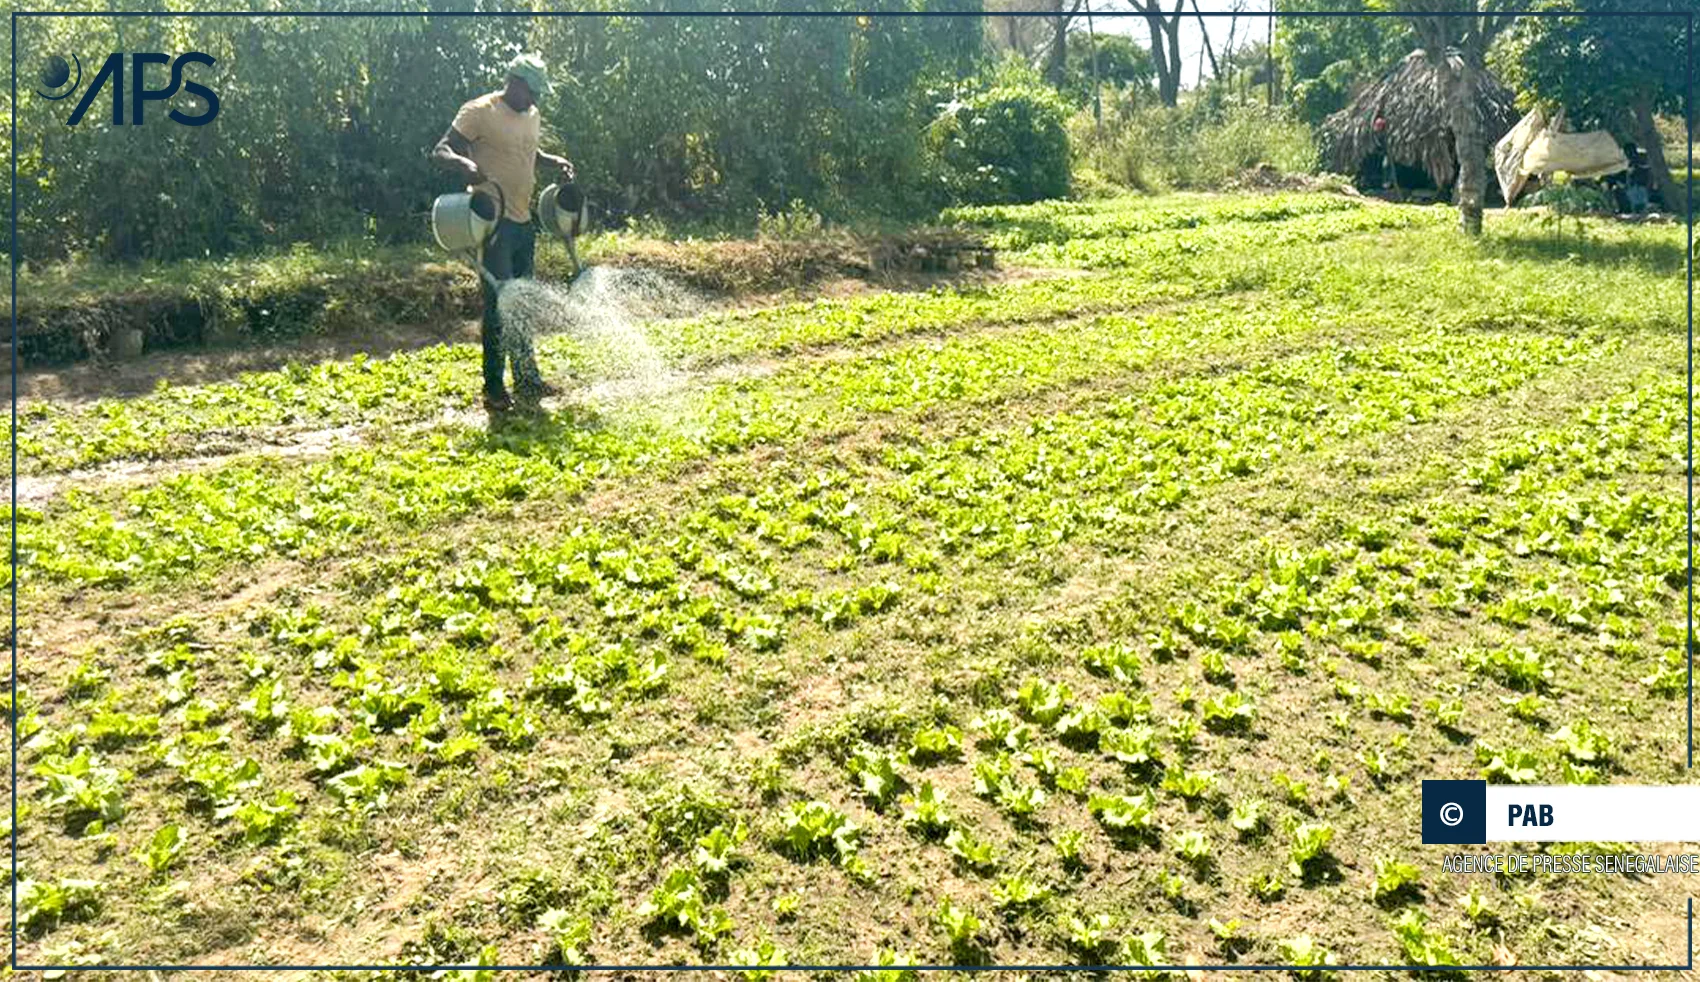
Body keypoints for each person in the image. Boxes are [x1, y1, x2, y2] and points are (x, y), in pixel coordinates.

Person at [432, 54, 576, 413]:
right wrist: (463, 163)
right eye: (532, 91)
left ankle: (527, 379)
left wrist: (552, 160)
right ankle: (494, 388)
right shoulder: (481, 110)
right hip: (492, 224)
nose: (535, 99)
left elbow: (527, 151)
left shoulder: (532, 114)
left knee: (521, 304)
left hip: (524, 223)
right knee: (498, 306)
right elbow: (441, 149)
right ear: (515, 81)